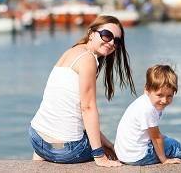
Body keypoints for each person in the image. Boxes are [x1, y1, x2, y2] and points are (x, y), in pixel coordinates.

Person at [28, 15, 136, 167]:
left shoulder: (73, 51)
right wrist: (100, 156)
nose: (111, 42)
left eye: (116, 41)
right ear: (91, 33)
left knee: (104, 143)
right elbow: (87, 108)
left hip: (36, 137)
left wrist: (106, 142)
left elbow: (71, 109)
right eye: (106, 35)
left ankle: (43, 155)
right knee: (125, 153)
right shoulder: (88, 59)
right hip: (66, 149)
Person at [114, 64, 181, 166]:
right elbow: (156, 137)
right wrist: (164, 160)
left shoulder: (143, 102)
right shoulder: (148, 109)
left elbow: (151, 133)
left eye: (169, 96)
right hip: (137, 157)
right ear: (147, 89)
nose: (164, 100)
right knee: (175, 145)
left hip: (124, 153)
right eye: (160, 95)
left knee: (165, 139)